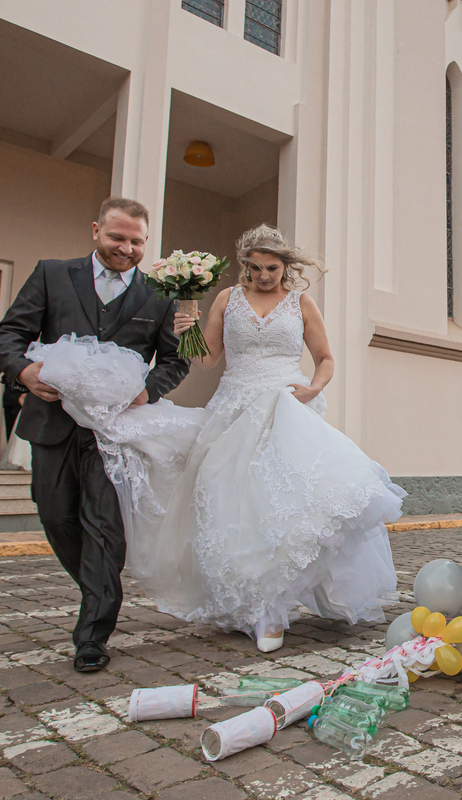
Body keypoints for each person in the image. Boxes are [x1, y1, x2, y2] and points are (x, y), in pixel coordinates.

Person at [31, 223, 402, 654]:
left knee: (278, 504)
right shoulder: (228, 299)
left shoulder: (301, 303)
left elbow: (325, 359)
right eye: (255, 267)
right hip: (231, 407)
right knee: (230, 505)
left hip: (284, 405)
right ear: (244, 265)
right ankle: (252, 604)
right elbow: (205, 360)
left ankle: (273, 609)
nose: (264, 276)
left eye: (272, 268)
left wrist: (315, 388)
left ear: (286, 266)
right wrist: (186, 325)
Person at [0, 196, 189, 673]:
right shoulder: (52, 274)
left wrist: (147, 391)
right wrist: (24, 372)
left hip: (117, 431)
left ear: (146, 242)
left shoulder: (160, 295)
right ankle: (96, 585)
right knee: (55, 512)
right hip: (54, 420)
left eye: (136, 241)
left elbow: (175, 359)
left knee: (104, 527)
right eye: (116, 237)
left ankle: (93, 635)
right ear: (95, 230)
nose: (126, 248)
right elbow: (9, 334)